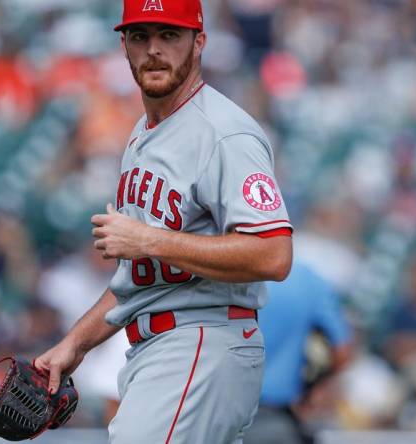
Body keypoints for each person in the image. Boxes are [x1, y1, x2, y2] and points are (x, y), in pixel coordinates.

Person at [35, 1, 294, 442]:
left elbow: (273, 253)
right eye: (141, 36)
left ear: (200, 42)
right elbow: (141, 277)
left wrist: (150, 239)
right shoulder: (141, 135)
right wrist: (75, 343)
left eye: (170, 35)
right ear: (124, 46)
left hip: (201, 340)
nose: (154, 49)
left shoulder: (224, 133)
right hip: (158, 347)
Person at [243, 261, 351, 444]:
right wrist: (314, 389)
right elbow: (341, 350)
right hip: (274, 418)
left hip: (212, 410)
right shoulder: (309, 281)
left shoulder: (225, 270)